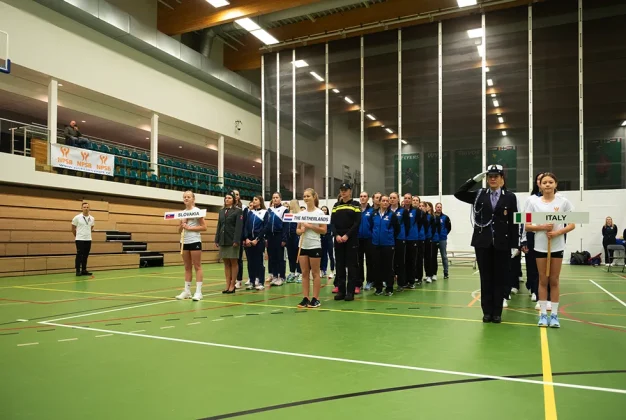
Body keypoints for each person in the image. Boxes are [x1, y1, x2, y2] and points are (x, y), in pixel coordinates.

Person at [454, 165, 519, 324]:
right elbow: (458, 193)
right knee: (485, 278)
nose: (492, 178)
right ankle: (487, 312)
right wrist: (475, 179)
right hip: (482, 243)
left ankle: (497, 312)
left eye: (496, 176)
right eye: (490, 176)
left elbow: (514, 221)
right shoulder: (479, 195)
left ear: (502, 179)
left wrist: (515, 245)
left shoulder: (510, 197)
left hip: (502, 243)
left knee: (499, 278)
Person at [524, 172, 575, 328]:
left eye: (550, 182)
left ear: (555, 184)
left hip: (557, 246)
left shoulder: (564, 202)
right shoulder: (534, 203)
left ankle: (554, 315)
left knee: (554, 280)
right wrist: (541, 227)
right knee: (543, 280)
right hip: (540, 246)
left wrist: (557, 232)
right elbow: (526, 225)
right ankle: (543, 315)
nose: (547, 184)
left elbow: (572, 224)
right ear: (539, 185)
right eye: (544, 182)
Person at [296, 188, 327, 308]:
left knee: (315, 273)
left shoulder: (319, 213)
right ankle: (305, 298)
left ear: (313, 197)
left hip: (314, 245)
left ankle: (316, 298)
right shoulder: (301, 214)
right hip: (303, 245)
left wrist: (310, 226)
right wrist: (301, 230)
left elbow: (324, 230)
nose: (306, 198)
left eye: (308, 196)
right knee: (304, 273)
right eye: (304, 196)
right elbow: (297, 230)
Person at [331, 183, 361, 301]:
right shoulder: (336, 205)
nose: (343, 192)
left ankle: (350, 292)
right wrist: (336, 235)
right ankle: (341, 291)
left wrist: (347, 235)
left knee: (352, 266)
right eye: (341, 190)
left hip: (351, 239)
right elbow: (332, 223)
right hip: (338, 239)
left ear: (350, 191)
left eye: (345, 190)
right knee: (340, 265)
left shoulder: (355, 205)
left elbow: (357, 223)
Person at [175, 191, 208, 301]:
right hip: (184, 241)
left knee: (197, 266)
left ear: (193, 199)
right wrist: (182, 224)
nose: (186, 198)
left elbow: (204, 227)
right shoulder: (182, 213)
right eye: (184, 197)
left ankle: (198, 292)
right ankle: (187, 291)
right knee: (187, 267)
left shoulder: (197, 211)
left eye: (188, 197)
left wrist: (190, 228)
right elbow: (179, 231)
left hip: (194, 241)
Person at [370, 195, 400, 296]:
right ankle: (378, 288)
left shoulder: (392, 215)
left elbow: (397, 229)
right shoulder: (374, 214)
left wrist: (388, 237)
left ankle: (389, 288)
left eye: (387, 201)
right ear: (379, 202)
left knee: (388, 267)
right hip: (375, 245)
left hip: (388, 245)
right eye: (383, 200)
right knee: (376, 267)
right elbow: (371, 227)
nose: (386, 202)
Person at [215, 191, 243, 294]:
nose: (227, 199)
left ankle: (233, 284)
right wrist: (217, 239)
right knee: (226, 263)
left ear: (234, 200)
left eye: (229, 198)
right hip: (223, 239)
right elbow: (219, 225)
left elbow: (239, 227)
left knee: (233, 262)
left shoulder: (238, 211)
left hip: (232, 240)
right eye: (226, 198)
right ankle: (227, 284)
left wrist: (236, 240)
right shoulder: (221, 211)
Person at [244, 196, 267, 291]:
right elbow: (245, 226)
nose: (254, 201)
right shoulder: (250, 213)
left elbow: (265, 227)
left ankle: (260, 281)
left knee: (259, 262)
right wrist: (246, 238)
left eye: (256, 199)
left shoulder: (265, 213)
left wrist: (257, 239)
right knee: (250, 262)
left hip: (259, 241)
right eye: (253, 200)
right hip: (249, 241)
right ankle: (252, 281)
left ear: (260, 201)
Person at [265, 192, 287, 286]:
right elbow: (266, 224)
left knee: (280, 257)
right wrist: (266, 237)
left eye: (277, 197)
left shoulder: (285, 210)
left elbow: (286, 225)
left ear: (280, 199)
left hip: (279, 236)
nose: (275, 199)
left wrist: (284, 239)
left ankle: (281, 277)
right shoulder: (269, 210)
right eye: (273, 197)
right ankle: (274, 276)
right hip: (270, 236)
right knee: (272, 257)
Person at [356, 191, 374, 294]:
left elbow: (373, 224)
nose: (362, 198)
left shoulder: (371, 211)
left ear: (368, 198)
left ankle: (370, 281)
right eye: (361, 196)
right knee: (358, 261)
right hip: (358, 239)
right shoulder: (356, 210)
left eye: (365, 196)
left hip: (368, 239)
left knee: (369, 261)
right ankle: (359, 282)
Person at [389, 192, 407, 291]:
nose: (392, 199)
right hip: (389, 240)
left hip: (400, 239)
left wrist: (402, 235)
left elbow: (407, 225)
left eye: (394, 198)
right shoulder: (387, 211)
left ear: (398, 199)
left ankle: (401, 283)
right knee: (390, 262)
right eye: (390, 198)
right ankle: (389, 283)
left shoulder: (403, 211)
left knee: (400, 262)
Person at [71, 202, 95, 276]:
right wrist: (77, 236)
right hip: (79, 239)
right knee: (79, 255)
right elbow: (73, 228)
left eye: (87, 207)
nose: (86, 208)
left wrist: (87, 234)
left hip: (88, 239)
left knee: (86, 255)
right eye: (84, 207)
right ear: (81, 208)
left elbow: (91, 227)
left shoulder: (92, 218)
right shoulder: (77, 217)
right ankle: (78, 270)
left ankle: (84, 270)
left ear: (89, 208)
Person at [403, 193, 420, 289]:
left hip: (413, 238)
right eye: (405, 198)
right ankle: (404, 281)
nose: (407, 200)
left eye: (409, 198)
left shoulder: (416, 211)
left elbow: (420, 223)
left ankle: (411, 281)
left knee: (412, 260)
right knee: (403, 261)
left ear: (411, 200)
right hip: (403, 238)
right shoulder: (401, 210)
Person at [285, 200, 302, 282]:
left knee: (298, 256)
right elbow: (286, 226)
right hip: (289, 237)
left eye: (292, 204)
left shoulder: (300, 214)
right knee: (290, 256)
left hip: (297, 237)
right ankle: (292, 272)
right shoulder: (288, 214)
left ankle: (299, 272)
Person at [435, 203, 452, 279]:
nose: (439, 208)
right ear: (435, 208)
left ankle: (446, 272)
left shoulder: (445, 217)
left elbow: (449, 228)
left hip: (442, 239)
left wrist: (444, 234)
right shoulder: (433, 216)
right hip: (434, 239)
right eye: (437, 207)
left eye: (440, 207)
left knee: (444, 256)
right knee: (433, 257)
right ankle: (433, 273)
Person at [412, 196, 426, 285]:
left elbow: (424, 225)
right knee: (411, 259)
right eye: (414, 200)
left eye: (417, 200)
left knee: (419, 259)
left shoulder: (422, 213)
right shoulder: (408, 211)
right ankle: (412, 276)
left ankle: (419, 277)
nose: (415, 202)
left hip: (420, 238)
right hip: (411, 238)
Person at [320, 205, 335, 280]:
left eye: (325, 210)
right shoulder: (319, 219)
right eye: (322, 210)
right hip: (321, 239)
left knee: (331, 255)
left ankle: (332, 271)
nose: (324, 211)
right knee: (323, 255)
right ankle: (323, 270)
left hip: (329, 238)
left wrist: (331, 235)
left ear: (327, 211)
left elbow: (332, 228)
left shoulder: (330, 219)